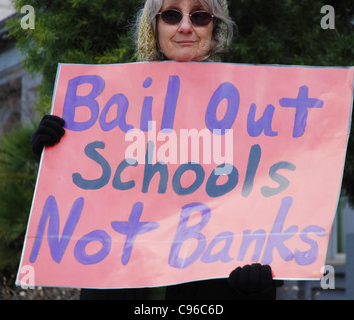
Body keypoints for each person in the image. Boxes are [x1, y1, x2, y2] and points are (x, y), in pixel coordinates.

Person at [31, 0, 282, 300]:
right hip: (120, 286)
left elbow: (266, 201)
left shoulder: (256, 111)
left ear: (216, 27)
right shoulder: (112, 106)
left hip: (215, 293)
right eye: (172, 15)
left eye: (200, 16)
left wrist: (258, 286)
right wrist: (56, 158)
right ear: (155, 26)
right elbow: (91, 197)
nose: (186, 26)